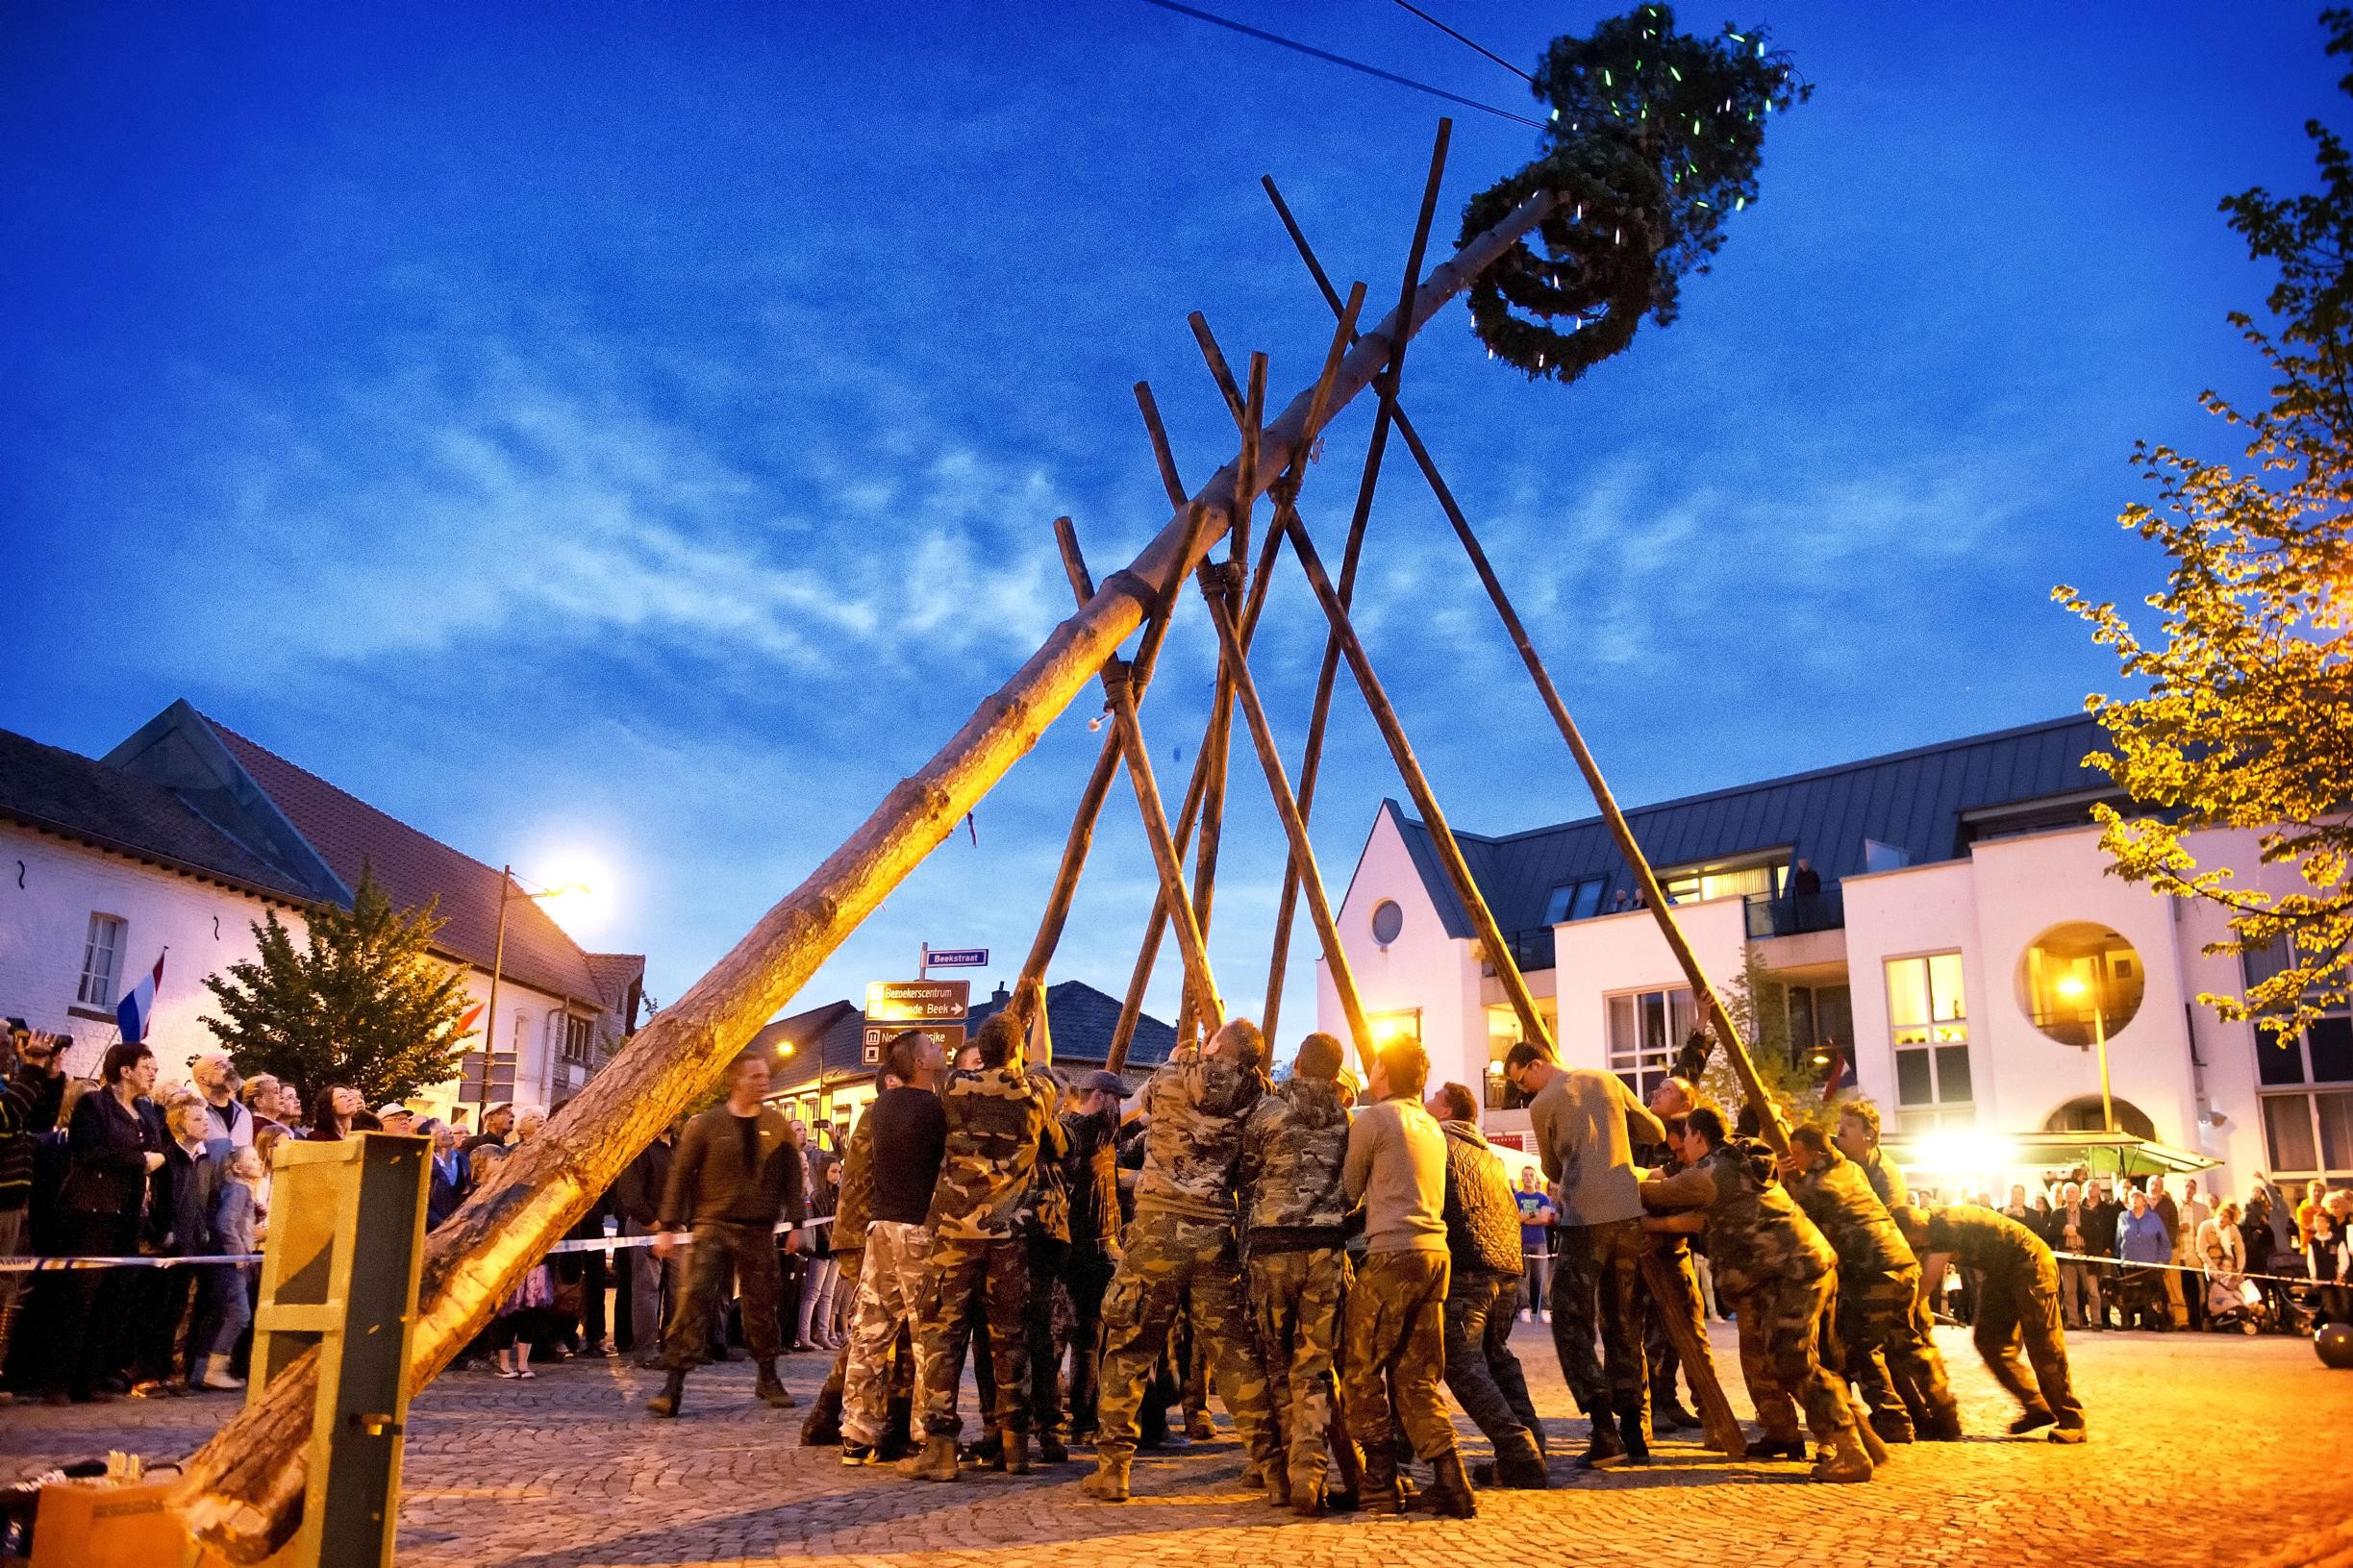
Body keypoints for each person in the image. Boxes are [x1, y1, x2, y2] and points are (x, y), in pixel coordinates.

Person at [1080, 1018, 1278, 1506]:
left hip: (1156, 1227)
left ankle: (1113, 1470)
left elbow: (1138, 1107)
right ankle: (1271, 1467)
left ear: (1215, 1045)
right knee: (1233, 1353)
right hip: (1215, 1232)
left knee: (1129, 1347)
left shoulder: (1169, 1078)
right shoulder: (1258, 1099)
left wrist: (1185, 1056)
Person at [1643, 1105, 1873, 1481]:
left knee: (1793, 1359)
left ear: (1698, 1137)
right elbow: (1704, 1217)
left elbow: (1657, 1192)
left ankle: (1850, 1449)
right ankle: (1780, 1430)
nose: (1681, 1147)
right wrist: (1660, 1223)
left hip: (1792, 1271)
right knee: (1756, 1353)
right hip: (1777, 1272)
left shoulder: (1711, 1173)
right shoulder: (1737, 1157)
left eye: (1685, 1138)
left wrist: (1613, 1186)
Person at [900, 1011, 1052, 1480]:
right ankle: (1015, 1448)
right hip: (1009, 1236)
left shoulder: (953, 1087)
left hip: (953, 1234)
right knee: (1010, 1339)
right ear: (1017, 1051)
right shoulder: (1036, 1094)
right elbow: (1042, 1065)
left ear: (979, 1050)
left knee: (943, 1338)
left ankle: (940, 1449)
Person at [1504, 1040, 1665, 1468]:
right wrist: (1614, 1139)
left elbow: (1554, 1170)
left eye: (1522, 1081)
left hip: (1584, 1219)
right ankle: (1634, 1427)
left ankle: (1603, 1428)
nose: (1524, 1093)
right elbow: (1656, 1132)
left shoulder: (1544, 1104)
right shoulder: (1607, 1079)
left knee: (1571, 1321)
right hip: (1628, 1214)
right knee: (1624, 1319)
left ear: (1536, 1064)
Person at [1339, 1038, 1476, 1518]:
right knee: (1416, 1375)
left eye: (1373, 1065)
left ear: (1384, 1075)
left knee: (1358, 1368)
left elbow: (1349, 1189)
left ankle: (1378, 1479)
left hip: (1391, 1254)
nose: (1369, 1072)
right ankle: (1450, 1479)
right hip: (1434, 1256)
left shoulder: (1374, 1119)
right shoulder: (1432, 1128)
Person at [645, 1050, 805, 1418]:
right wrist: (668, 1226)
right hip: (713, 1226)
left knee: (762, 1307)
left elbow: (791, 1180)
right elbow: (681, 1175)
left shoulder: (778, 1125)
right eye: (755, 1076)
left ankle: (768, 1375)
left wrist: (796, 1224)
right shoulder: (709, 1125)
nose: (764, 1082)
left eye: (766, 1076)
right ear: (736, 1081)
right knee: (693, 1302)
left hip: (758, 1231)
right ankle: (673, 1385)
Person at [1238, 1032, 1356, 1514]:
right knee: (1314, 1367)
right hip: (1325, 1252)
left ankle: (1283, 1473)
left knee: (1275, 1362)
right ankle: (1310, 1474)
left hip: (1271, 1250)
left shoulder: (1266, 1112)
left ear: (1299, 1064)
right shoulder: (1347, 1121)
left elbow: (1245, 1173)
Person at [1784, 1124, 1960, 1442]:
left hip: (1871, 1268)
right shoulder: (1851, 1168)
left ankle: (1893, 1418)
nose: (1794, 1160)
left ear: (1816, 1153)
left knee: (1862, 1346)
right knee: (1908, 1340)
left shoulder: (1816, 1185)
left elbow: (1798, 1222)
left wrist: (1789, 1181)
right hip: (1901, 1260)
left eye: (1798, 1154)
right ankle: (1946, 1409)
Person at [1429, 1080, 1547, 1491]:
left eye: (1433, 1100)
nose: (1426, 1105)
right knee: (1497, 1357)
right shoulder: (1489, 1155)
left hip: (1469, 1268)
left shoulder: (1438, 1143)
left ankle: (1520, 1453)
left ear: (1446, 1112)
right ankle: (1536, 1443)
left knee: (1462, 1364)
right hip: (1507, 1268)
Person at [841, 1031, 948, 1465]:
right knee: (928, 1334)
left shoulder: (880, 1108)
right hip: (918, 1230)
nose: (942, 1050)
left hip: (880, 1228)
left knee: (871, 1331)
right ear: (920, 1064)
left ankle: (857, 1433)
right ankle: (926, 1433)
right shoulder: (936, 1109)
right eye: (934, 1047)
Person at [1896, 1203, 2086, 1442]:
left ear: (1917, 1230)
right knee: (1990, 1341)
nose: (1914, 1247)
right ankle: (2036, 1405)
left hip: (2031, 1263)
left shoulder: (1942, 1226)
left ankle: (2072, 1418)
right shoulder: (1936, 1221)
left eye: (1912, 1241)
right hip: (2002, 1272)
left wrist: (1902, 1309)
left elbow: (1927, 1283)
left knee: (2044, 1345)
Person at [47, 1042, 166, 1404]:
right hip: (92, 1213)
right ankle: (58, 1382)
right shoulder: (94, 1104)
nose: (153, 1073)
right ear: (125, 1070)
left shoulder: (145, 1111)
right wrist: (139, 1160)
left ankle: (89, 1380)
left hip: (126, 1216)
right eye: (147, 1066)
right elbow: (88, 1151)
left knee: (111, 1300)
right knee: (79, 1298)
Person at [1060, 1070, 1126, 1446]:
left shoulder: (1089, 1133)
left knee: (1090, 1336)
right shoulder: (1084, 1130)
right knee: (1089, 1336)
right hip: (1089, 1246)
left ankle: (1084, 1420)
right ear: (1100, 1097)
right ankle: (1084, 1421)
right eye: (1115, 1099)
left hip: (1093, 1243)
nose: (1118, 1107)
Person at [0, 1022, 67, 1375]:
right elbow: (8, 1116)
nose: (12, 1048)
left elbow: (37, 1123)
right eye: (5, 1041)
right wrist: (32, 1067)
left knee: (5, 1288)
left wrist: (51, 1077)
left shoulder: (9, 1085)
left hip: (11, 1203)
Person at [195, 1144, 264, 1391]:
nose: (259, 1163)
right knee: (239, 1314)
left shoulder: (242, 1191)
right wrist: (239, 1255)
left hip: (227, 1258)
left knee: (221, 1313)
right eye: (253, 1159)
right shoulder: (238, 1191)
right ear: (237, 1167)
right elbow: (227, 1224)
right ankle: (215, 1370)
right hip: (230, 1260)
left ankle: (201, 1371)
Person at [611, 1123, 675, 1363]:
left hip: (677, 1228)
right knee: (647, 1290)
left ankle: (672, 1346)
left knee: (678, 1292)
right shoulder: (641, 1148)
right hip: (648, 1226)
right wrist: (654, 1225)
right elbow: (629, 1194)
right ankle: (646, 1350)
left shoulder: (678, 1148)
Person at [2051, 1182, 2102, 1330]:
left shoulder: (2089, 1214)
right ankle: (2073, 1321)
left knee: (2092, 1290)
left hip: (2085, 1256)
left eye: (2073, 1191)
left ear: (2079, 1194)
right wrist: (2063, 1231)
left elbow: (2096, 1233)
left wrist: (2077, 1230)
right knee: (2069, 1291)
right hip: (2067, 1256)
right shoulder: (2057, 1214)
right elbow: (2050, 1233)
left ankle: (2097, 1321)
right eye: (2067, 1192)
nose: (2070, 1194)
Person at [187, 1052, 253, 1150]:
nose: (230, 1069)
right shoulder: (189, 1112)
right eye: (221, 1066)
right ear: (203, 1080)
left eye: (230, 1064)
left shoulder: (244, 1113)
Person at [1514, 1167, 1553, 1323]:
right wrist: (1533, 1213)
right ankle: (1524, 1307)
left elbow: (1544, 1219)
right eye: (1525, 1175)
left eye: (1531, 1175)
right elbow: (1515, 1218)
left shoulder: (1544, 1198)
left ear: (1536, 1179)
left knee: (1541, 1276)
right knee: (1523, 1277)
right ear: (1522, 1179)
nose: (1528, 1178)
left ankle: (1544, 1308)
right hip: (1522, 1241)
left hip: (1540, 1242)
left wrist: (1524, 1218)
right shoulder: (1516, 1198)